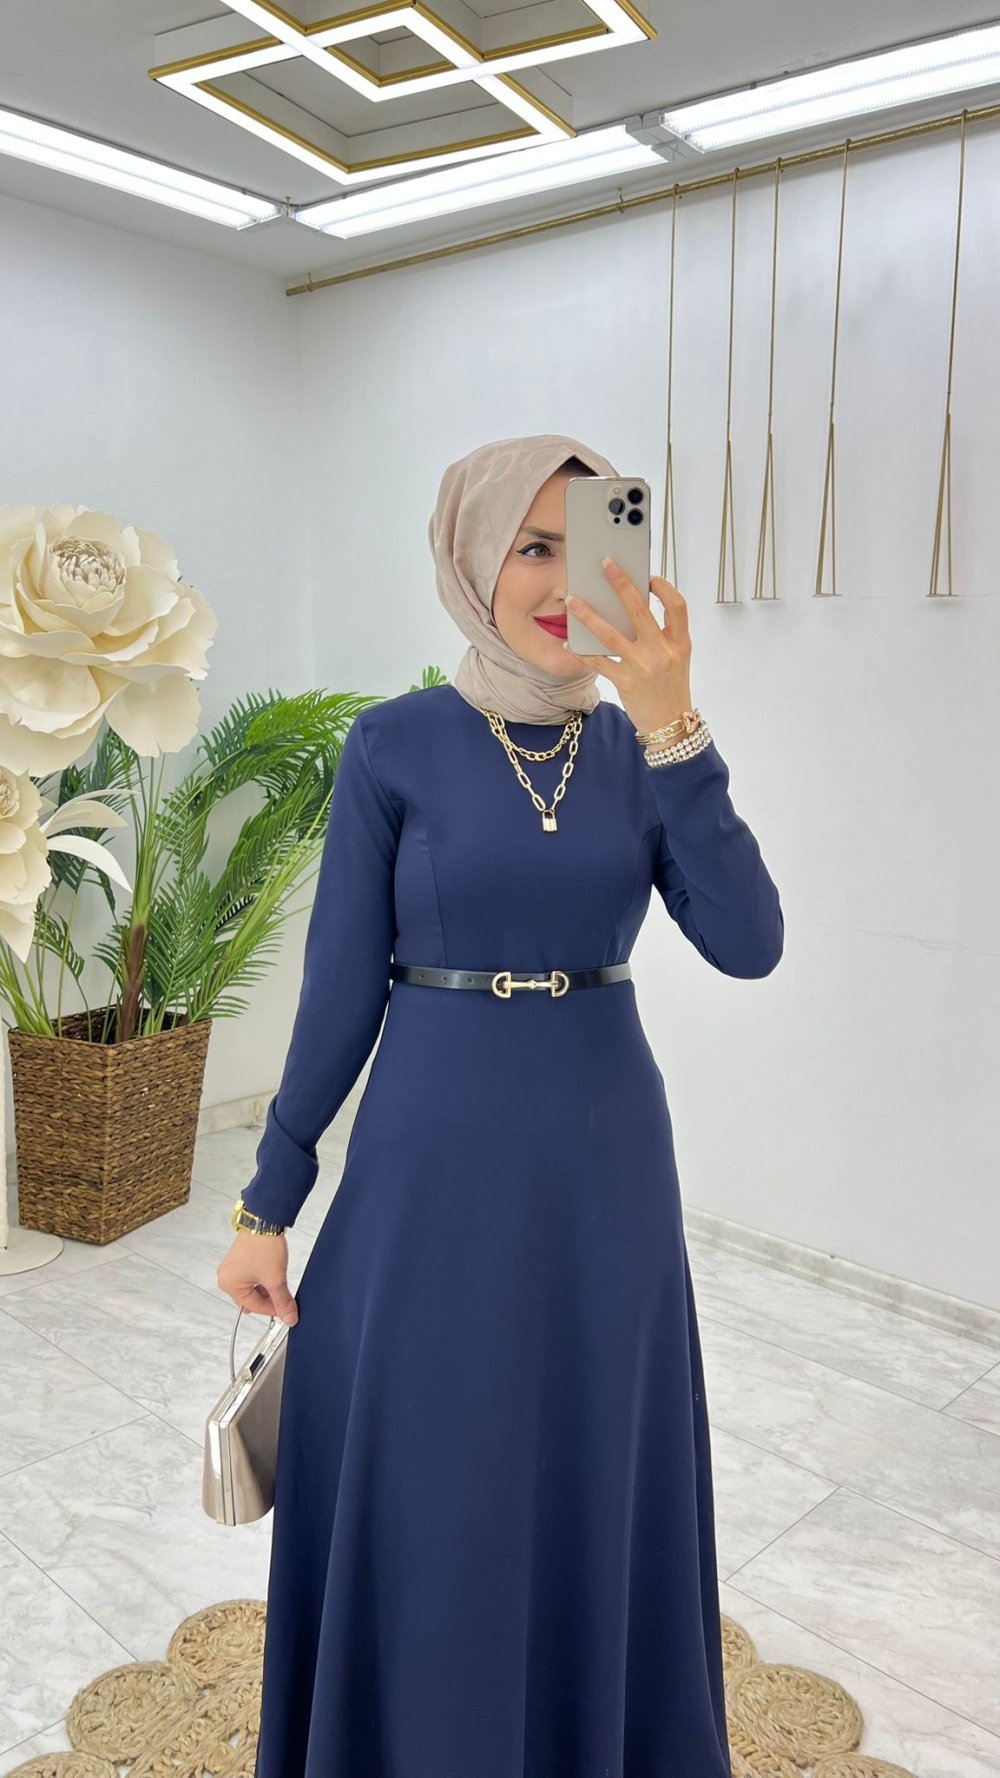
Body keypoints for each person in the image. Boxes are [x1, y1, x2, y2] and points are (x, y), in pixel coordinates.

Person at [216, 432, 784, 1778]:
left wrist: (678, 724)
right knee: (433, 1461)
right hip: (428, 1156)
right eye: (531, 546)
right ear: (473, 558)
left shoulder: (641, 749)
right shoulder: (393, 745)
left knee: (589, 1457)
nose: (558, 580)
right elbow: (340, 988)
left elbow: (750, 940)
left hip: (604, 1163)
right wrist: (266, 1202)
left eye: (584, 545)